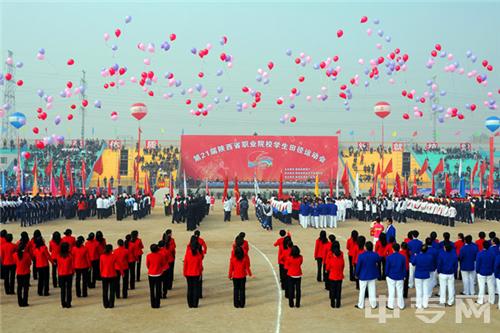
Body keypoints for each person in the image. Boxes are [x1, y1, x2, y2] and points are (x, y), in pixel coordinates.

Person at [355, 242, 379, 309]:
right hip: (372, 275)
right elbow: (378, 260)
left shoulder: (361, 256)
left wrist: (356, 274)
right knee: (372, 290)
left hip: (363, 275)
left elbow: (358, 266)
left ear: (365, 247)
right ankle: (373, 304)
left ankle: (361, 305)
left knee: (362, 291)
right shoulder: (375, 255)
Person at [183, 236, 203, 308]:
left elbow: (185, 264)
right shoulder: (198, 255)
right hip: (196, 273)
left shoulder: (188, 253)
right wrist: (200, 273)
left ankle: (190, 304)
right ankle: (195, 304)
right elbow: (200, 266)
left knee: (190, 289)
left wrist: (184, 272)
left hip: (188, 273)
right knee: (195, 289)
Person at [411, 244, 433, 309]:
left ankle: (418, 304)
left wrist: (414, 256)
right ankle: (425, 304)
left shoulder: (417, 256)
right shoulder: (430, 257)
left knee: (419, 290)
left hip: (418, 275)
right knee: (426, 290)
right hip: (426, 274)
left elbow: (413, 263)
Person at [385, 243, 406, 310]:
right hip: (400, 276)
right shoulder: (403, 257)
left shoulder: (389, 257)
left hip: (391, 276)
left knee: (391, 291)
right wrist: (404, 275)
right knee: (400, 291)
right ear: (399, 248)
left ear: (392, 249)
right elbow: (404, 268)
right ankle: (401, 305)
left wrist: (386, 274)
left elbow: (387, 268)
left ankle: (390, 305)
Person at [324, 241, 344, 308]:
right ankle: (338, 304)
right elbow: (343, 266)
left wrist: (327, 270)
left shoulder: (331, 256)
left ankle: (332, 303)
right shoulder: (341, 256)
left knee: (332, 289)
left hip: (332, 275)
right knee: (338, 291)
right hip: (339, 275)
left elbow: (328, 265)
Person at [13, 242, 31, 307]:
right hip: (26, 272)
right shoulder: (27, 255)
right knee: (25, 289)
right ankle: (25, 302)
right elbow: (29, 263)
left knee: (19, 288)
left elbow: (15, 262)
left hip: (19, 273)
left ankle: (20, 302)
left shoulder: (15, 255)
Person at [146, 244, 164, 308]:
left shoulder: (148, 256)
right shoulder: (160, 256)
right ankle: (157, 304)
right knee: (158, 289)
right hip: (158, 274)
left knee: (152, 290)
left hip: (151, 274)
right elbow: (162, 264)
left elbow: (147, 265)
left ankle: (152, 304)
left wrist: (151, 269)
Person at [57, 242, 74, 308]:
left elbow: (58, 264)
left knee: (62, 289)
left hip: (61, 274)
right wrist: (73, 272)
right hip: (69, 273)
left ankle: (63, 303)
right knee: (69, 289)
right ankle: (68, 303)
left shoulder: (58, 255)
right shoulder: (70, 255)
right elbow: (72, 265)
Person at [100, 244, 117, 308]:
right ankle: (111, 304)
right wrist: (122, 272)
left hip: (104, 275)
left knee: (105, 290)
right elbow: (119, 265)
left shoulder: (102, 256)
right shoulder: (114, 256)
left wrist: (102, 274)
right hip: (112, 275)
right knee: (112, 291)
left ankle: (105, 304)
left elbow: (101, 267)